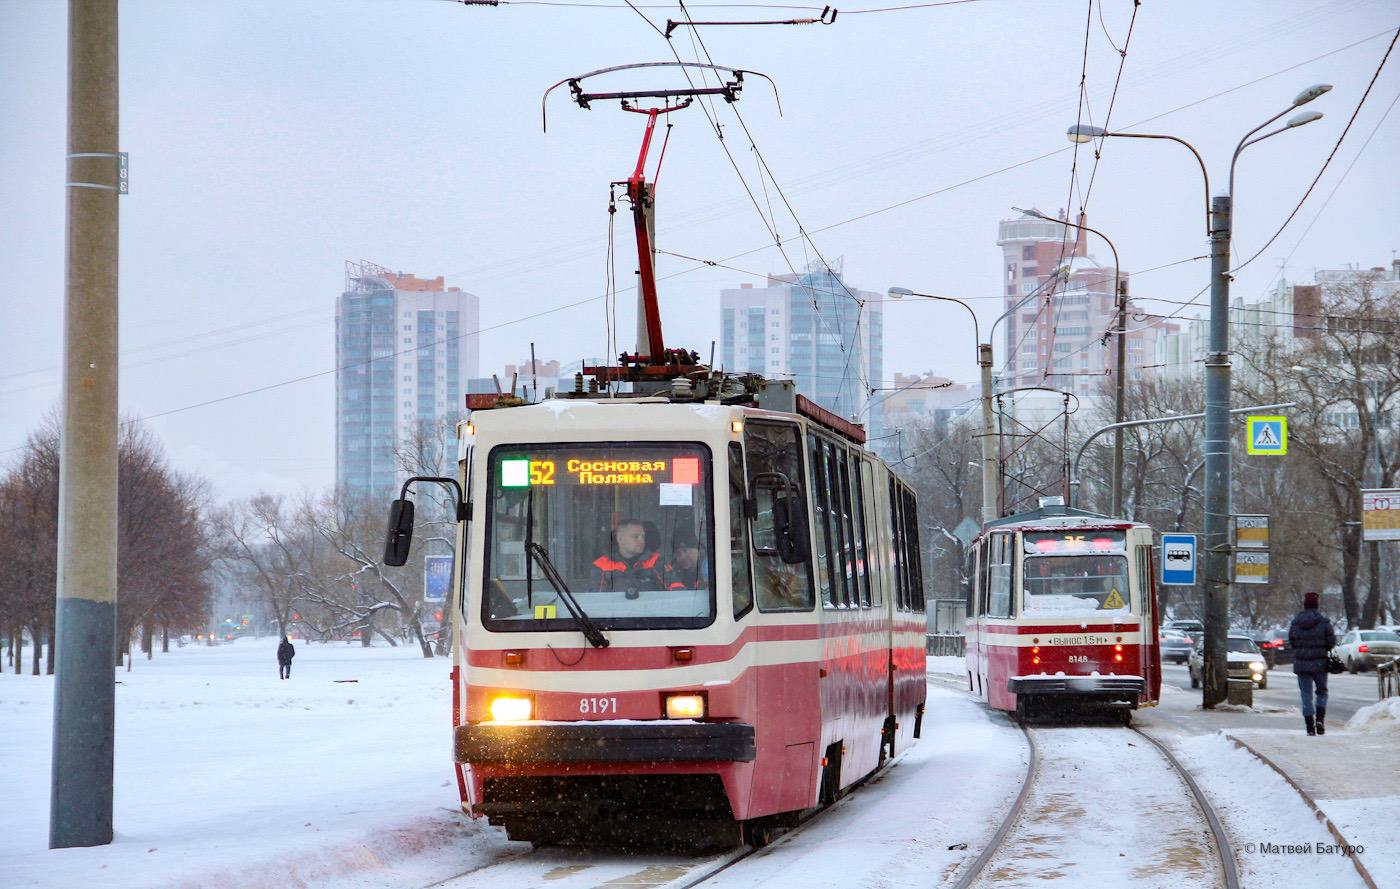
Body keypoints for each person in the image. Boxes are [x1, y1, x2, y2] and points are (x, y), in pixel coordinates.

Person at [1287, 591, 1336, 736]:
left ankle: (1309, 726)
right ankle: (1320, 720)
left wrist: (1302, 650)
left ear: (1304, 604)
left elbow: (1292, 640)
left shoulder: (1296, 622)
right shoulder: (1324, 622)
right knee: (1321, 692)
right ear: (1317, 605)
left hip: (1301, 664)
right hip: (1320, 664)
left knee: (1305, 694)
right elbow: (1331, 642)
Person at [589, 518, 666, 593]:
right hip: (616, 606)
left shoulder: (655, 561)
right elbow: (599, 601)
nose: (641, 541)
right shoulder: (601, 565)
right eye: (636, 537)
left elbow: (675, 590)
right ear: (620, 540)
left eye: (643, 536)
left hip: (650, 606)